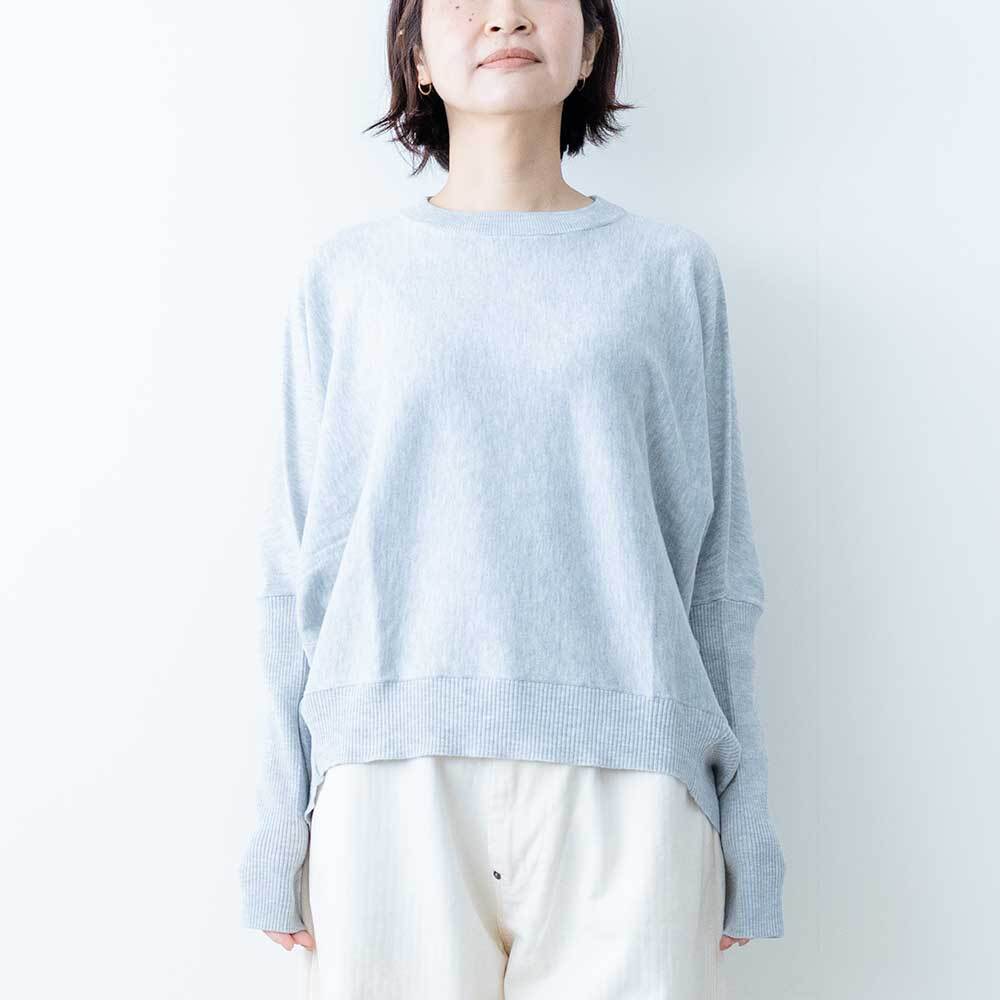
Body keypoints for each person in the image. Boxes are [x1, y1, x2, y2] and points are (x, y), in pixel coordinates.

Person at [238, 1, 786, 996]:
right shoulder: (348, 278)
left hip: (633, 783)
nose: (504, 17)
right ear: (415, 53)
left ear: (591, 44)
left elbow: (718, 568)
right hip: (389, 778)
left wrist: (745, 812)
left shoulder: (668, 272)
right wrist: (280, 812)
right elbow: (295, 568)